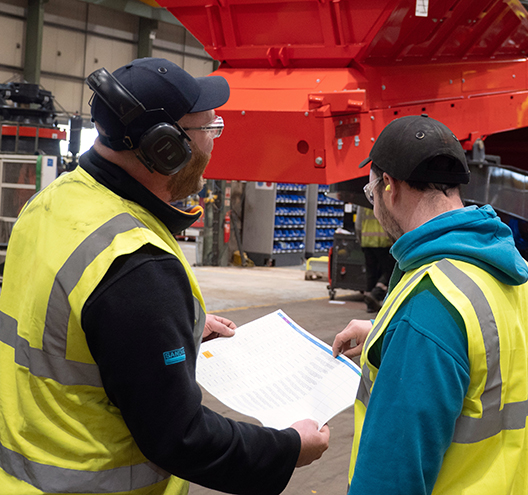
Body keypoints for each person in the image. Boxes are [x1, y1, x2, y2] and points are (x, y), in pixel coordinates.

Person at [0, 58, 329, 495]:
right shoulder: (136, 265)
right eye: (209, 131)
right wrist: (288, 447)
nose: (214, 145)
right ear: (166, 149)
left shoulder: (51, 203)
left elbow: (67, 326)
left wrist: (172, 329)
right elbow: (182, 438)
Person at [331, 115, 528, 494]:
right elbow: (487, 356)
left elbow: (389, 480)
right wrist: (389, 334)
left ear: (389, 187)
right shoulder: (520, 275)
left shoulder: (430, 311)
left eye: (371, 194)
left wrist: (411, 334)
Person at [356, 206, 395, 312]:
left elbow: (358, 224)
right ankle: (376, 293)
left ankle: (370, 304)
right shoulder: (383, 198)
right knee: (389, 270)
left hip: (367, 241)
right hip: (383, 241)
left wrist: (361, 240)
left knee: (371, 273)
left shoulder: (362, 204)